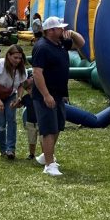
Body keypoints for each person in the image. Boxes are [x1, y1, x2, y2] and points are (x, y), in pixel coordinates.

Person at [31, 17, 84, 177]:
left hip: (59, 93)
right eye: (59, 28)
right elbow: (37, 72)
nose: (63, 30)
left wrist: (72, 33)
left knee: (58, 126)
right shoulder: (42, 47)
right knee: (48, 128)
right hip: (46, 94)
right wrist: (46, 95)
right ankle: (49, 164)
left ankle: (46, 155)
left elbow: (81, 43)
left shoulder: (60, 43)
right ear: (50, 31)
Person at [0, 45, 29, 159]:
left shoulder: (22, 69)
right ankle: (3, 149)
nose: (18, 60)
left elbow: (21, 85)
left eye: (20, 58)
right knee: (2, 122)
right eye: (15, 57)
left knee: (11, 120)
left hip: (10, 96)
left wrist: (18, 98)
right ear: (8, 56)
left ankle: (11, 150)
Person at [20, 75, 39, 160]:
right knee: (31, 140)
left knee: (43, 139)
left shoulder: (39, 97)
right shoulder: (26, 98)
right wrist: (15, 103)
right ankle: (32, 154)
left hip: (40, 121)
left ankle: (45, 154)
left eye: (32, 88)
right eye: (28, 89)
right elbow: (19, 105)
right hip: (30, 122)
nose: (30, 91)